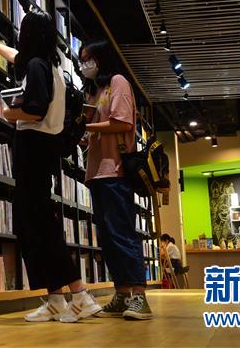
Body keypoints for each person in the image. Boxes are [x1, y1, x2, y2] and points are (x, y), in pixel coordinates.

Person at [0, 10, 100, 323]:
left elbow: (35, 110)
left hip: (33, 148)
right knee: (32, 224)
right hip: (45, 150)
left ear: (28, 34)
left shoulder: (35, 66)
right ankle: (56, 298)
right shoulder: (51, 66)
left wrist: (10, 114)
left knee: (38, 225)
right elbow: (16, 56)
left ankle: (79, 294)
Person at [79, 39, 152, 320]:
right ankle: (122, 294)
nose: (85, 64)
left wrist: (87, 125)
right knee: (108, 238)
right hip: (96, 173)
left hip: (116, 170)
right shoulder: (95, 90)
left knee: (122, 233)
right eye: (82, 60)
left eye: (89, 58)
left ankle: (139, 296)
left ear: (102, 58)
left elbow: (122, 122)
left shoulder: (118, 82)